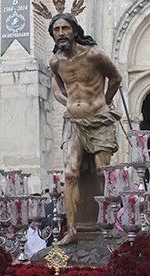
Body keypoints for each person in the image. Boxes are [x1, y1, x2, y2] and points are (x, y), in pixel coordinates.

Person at [41, 4, 122, 245]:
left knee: (101, 172)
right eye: (56, 29)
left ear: (75, 30)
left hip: (99, 119)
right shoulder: (55, 61)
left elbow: (116, 78)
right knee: (69, 173)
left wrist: (104, 104)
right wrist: (69, 103)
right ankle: (73, 230)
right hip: (73, 122)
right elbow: (59, 87)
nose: (61, 32)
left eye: (65, 28)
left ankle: (108, 223)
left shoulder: (94, 54)